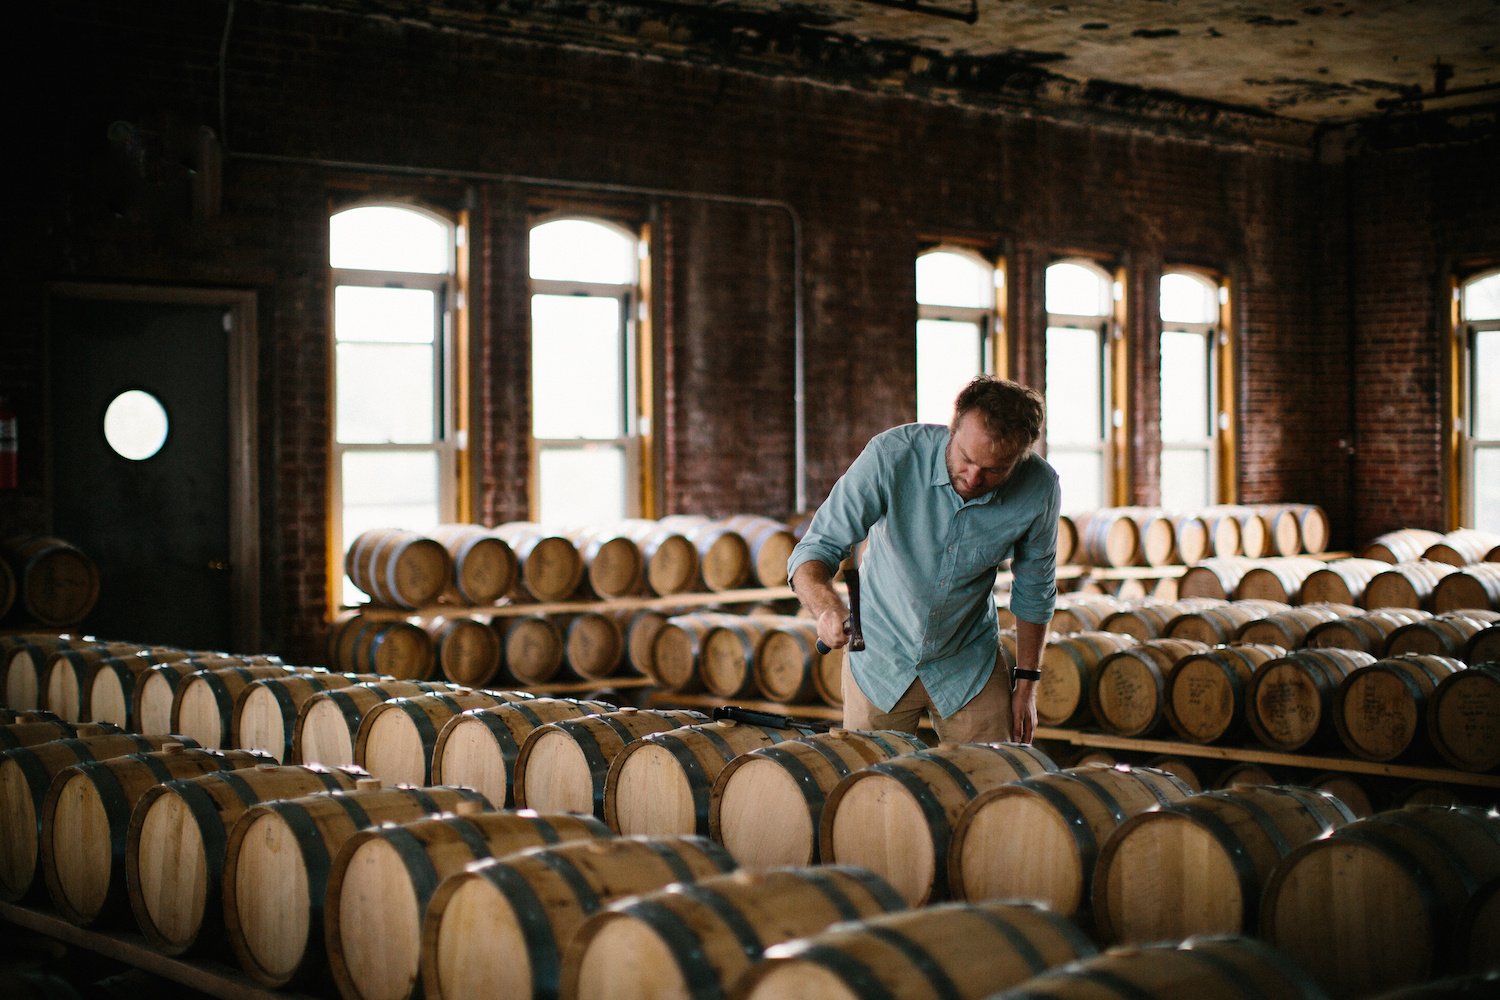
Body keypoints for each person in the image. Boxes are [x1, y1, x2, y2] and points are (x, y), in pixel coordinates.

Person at [787, 375, 1059, 744]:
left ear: (1021, 456)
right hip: (880, 658)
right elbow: (816, 548)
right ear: (953, 429)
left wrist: (1027, 685)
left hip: (968, 662)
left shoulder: (1039, 487)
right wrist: (825, 609)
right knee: (871, 791)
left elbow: (1035, 591)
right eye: (966, 459)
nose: (975, 477)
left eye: (995, 470)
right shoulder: (891, 454)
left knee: (991, 782)